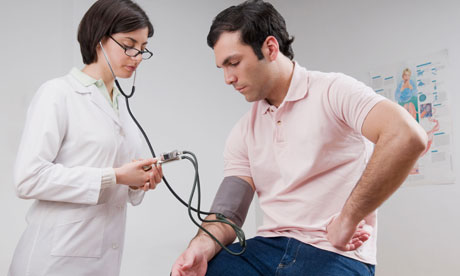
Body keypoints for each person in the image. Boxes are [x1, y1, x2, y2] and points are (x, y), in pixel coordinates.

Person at [171, 1, 427, 275]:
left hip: (333, 253)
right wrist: (200, 246)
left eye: (233, 63)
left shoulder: (334, 92)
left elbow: (406, 136)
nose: (227, 78)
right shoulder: (244, 131)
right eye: (222, 67)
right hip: (265, 250)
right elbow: (228, 213)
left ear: (270, 48)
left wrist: (347, 219)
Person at [8, 0, 162, 275]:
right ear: (99, 38)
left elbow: (120, 185)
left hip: (102, 260)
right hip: (52, 261)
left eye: (143, 48)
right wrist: (114, 176)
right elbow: (27, 179)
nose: (137, 56)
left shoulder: (121, 105)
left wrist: (139, 182)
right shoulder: (58, 93)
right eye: (129, 44)